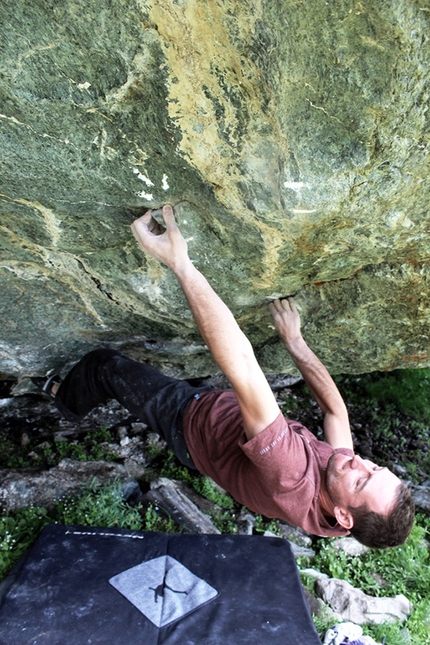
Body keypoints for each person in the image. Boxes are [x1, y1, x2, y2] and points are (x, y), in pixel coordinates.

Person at [38, 205, 414, 549]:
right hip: (221, 428)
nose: (359, 463)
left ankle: (65, 400)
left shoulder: (292, 476)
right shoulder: (341, 496)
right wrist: (295, 342)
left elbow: (245, 370)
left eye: (363, 479)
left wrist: (180, 264)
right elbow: (336, 414)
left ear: (346, 516)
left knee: (106, 367)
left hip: (187, 422)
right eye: (375, 466)